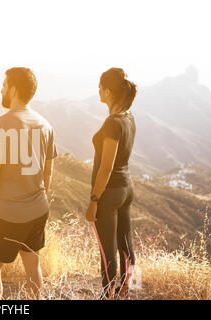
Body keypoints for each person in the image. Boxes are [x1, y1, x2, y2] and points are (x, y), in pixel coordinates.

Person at [0, 67, 58, 300]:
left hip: (6, 213)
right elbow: (48, 173)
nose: (1, 89)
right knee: (33, 266)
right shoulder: (46, 125)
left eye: (3, 85)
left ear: (12, 89)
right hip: (38, 210)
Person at [85, 67, 138, 299]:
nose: (97, 90)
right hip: (127, 188)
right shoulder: (128, 118)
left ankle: (108, 296)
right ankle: (129, 290)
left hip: (109, 192)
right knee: (126, 244)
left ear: (107, 92)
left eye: (100, 87)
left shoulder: (112, 123)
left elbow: (106, 167)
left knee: (107, 252)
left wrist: (94, 200)